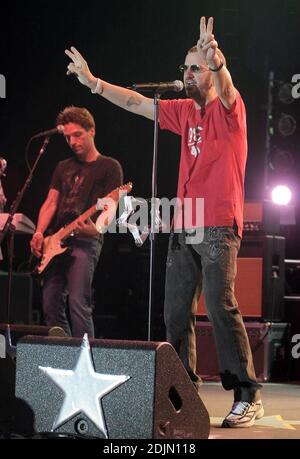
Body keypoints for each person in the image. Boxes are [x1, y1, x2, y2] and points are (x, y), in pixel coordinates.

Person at [65, 16, 264, 428]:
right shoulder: (183, 112)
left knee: (221, 303)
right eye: (186, 67)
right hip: (185, 222)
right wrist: (95, 84)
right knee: (175, 314)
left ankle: (247, 393)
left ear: (209, 72)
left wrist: (220, 62)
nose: (188, 73)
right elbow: (138, 104)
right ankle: (184, 392)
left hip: (218, 223)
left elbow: (226, 89)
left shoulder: (230, 111)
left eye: (196, 67)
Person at [30, 106, 123, 338]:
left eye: (78, 134)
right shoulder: (63, 167)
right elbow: (51, 202)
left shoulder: (109, 166)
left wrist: (98, 228)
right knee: (50, 304)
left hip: (86, 240)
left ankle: (87, 363)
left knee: (78, 303)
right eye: (68, 137)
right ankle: (65, 359)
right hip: (56, 240)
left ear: (92, 131)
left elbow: (111, 205)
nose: (72, 141)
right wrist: (39, 232)